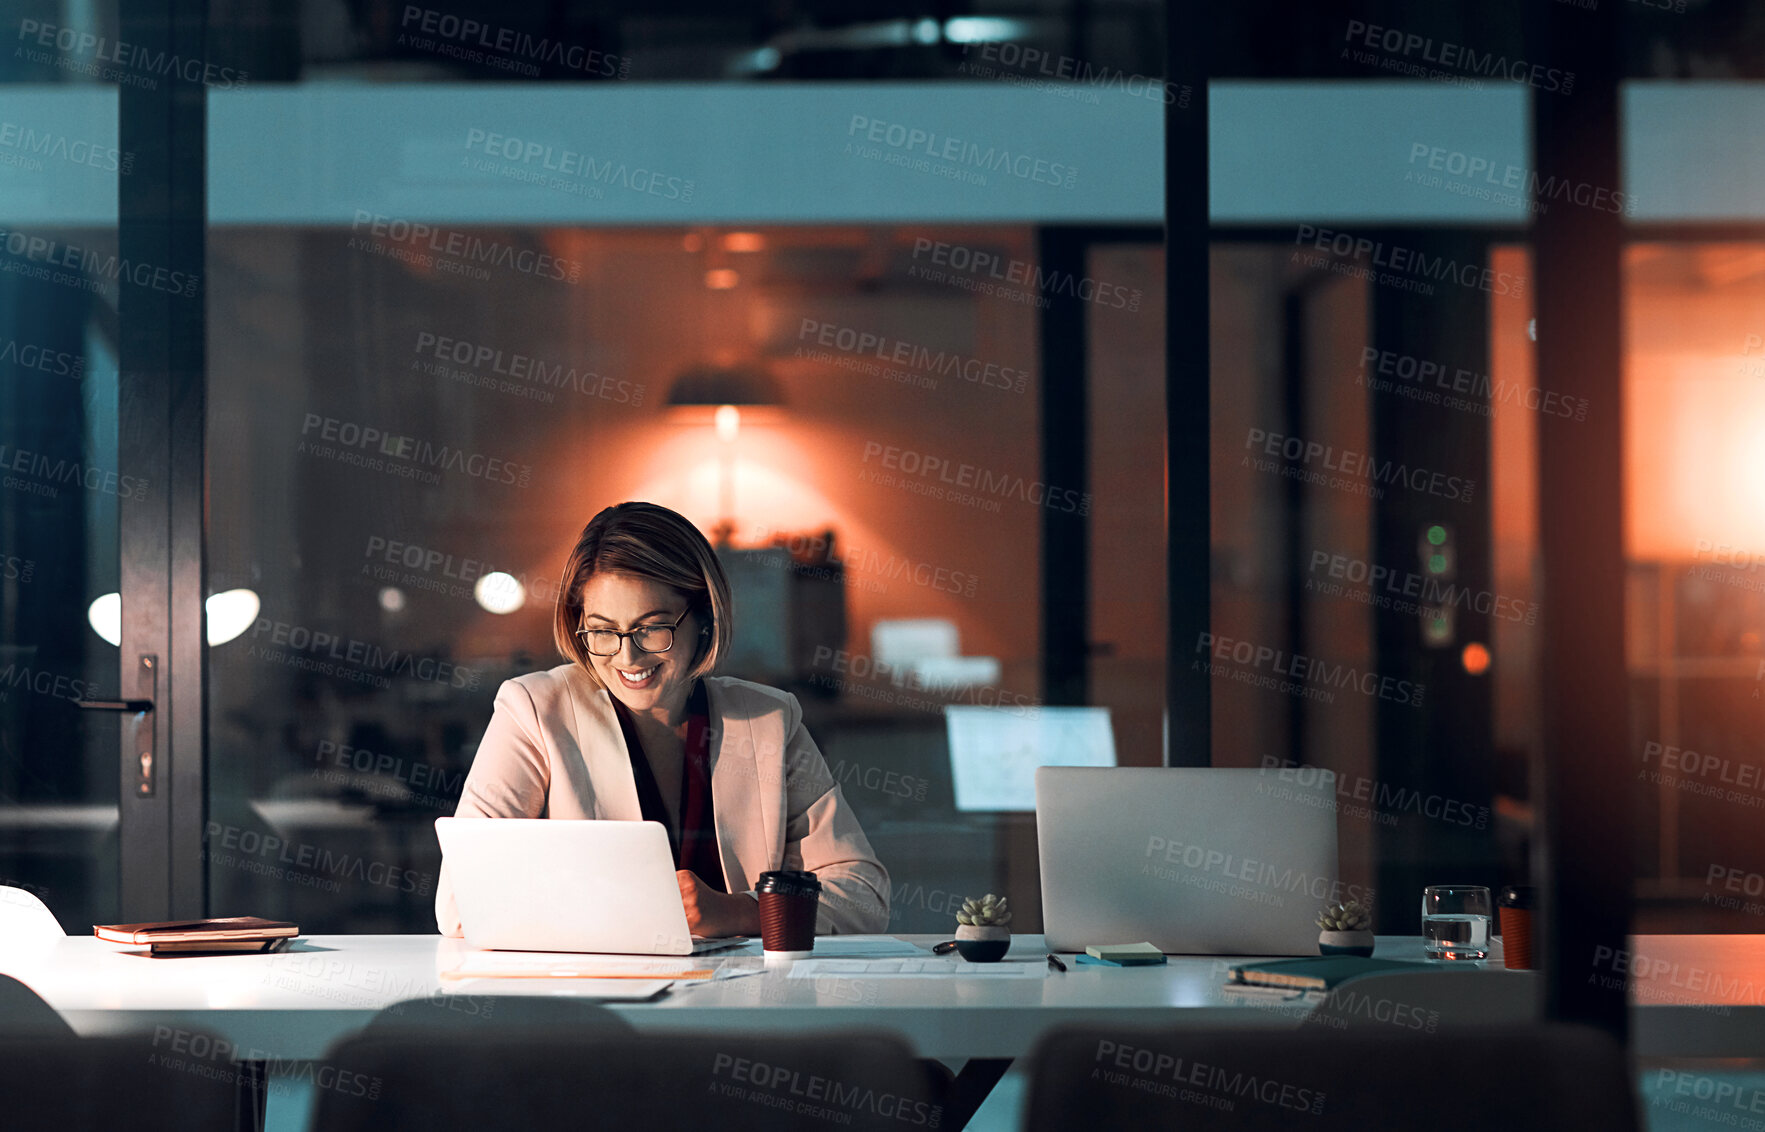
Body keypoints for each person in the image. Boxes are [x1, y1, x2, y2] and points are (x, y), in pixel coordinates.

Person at [435, 501, 890, 937]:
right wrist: (633, 909)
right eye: (602, 630)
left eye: (652, 627)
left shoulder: (769, 719)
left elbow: (864, 895)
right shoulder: (534, 710)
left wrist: (742, 911)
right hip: (598, 1001)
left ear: (705, 620)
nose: (627, 655)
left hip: (748, 1003)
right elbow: (460, 903)